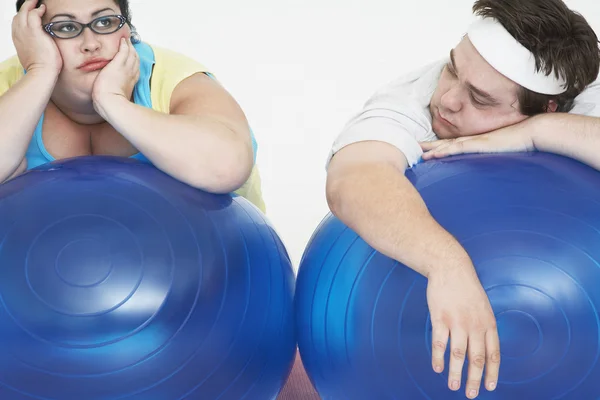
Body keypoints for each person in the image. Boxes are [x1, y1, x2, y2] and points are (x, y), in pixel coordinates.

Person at [325, 0, 600, 398]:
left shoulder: (584, 86)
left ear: (548, 105)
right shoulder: (413, 99)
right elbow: (353, 179)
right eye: (452, 68)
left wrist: (537, 132)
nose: (448, 100)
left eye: (480, 99)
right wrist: (446, 265)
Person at [0, 0, 265, 212]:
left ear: (127, 31)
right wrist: (40, 70)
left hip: (205, 273)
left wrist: (112, 101)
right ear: (32, 38)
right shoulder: (11, 85)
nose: (91, 44)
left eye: (105, 21)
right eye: (66, 27)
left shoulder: (173, 78)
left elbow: (227, 166)